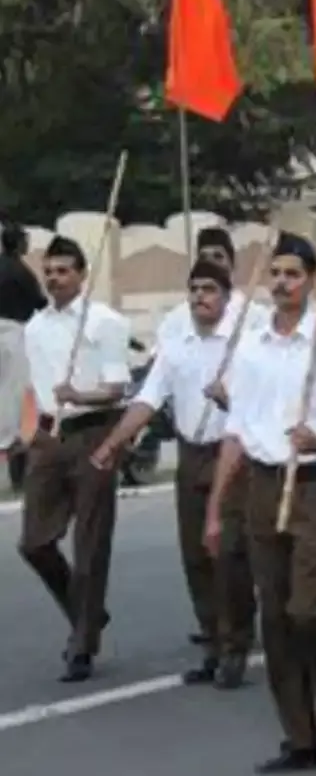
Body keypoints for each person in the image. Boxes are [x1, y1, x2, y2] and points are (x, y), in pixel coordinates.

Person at [204, 231, 316, 772]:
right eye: (275, 273)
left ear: (313, 281)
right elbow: (236, 431)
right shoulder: (252, 346)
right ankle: (300, 739)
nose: (281, 283)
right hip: (263, 484)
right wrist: (216, 508)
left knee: (309, 613)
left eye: (292, 274)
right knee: (275, 619)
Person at [90, 261, 256, 689]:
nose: (200, 296)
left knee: (226, 552)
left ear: (226, 296)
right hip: (191, 452)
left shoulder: (246, 343)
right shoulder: (177, 343)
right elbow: (148, 397)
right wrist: (114, 442)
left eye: (209, 289)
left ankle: (235, 646)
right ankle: (213, 643)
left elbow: (260, 408)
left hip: (232, 454)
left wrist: (229, 399)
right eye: (194, 288)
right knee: (195, 556)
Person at [19, 235, 133, 682]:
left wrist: (80, 394)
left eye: (64, 270)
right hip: (50, 435)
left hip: (94, 431)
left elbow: (117, 388)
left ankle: (83, 643)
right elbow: (34, 386)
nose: (54, 278)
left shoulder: (105, 322)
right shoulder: (35, 327)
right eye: (49, 271)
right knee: (34, 542)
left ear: (82, 275)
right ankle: (86, 612)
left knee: (90, 543)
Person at [0, 221, 45, 492]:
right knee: (14, 391)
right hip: (12, 332)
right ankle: (10, 443)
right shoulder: (20, 271)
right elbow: (39, 302)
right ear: (18, 243)